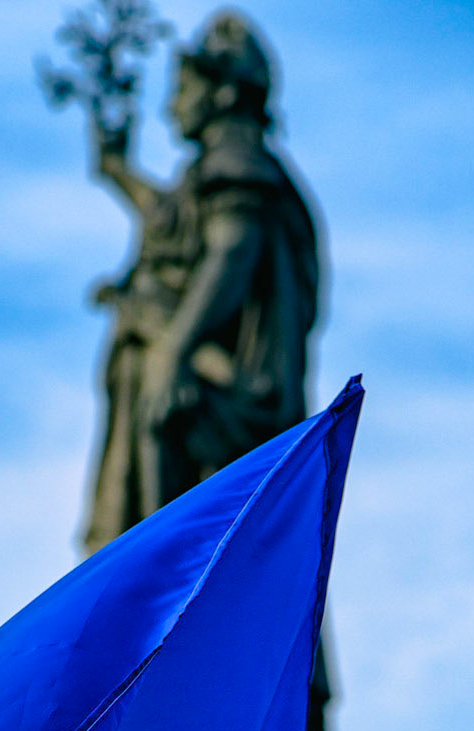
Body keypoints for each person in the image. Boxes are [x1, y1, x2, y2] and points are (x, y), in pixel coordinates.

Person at [82, 11, 319, 549]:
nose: (170, 107)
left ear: (224, 91)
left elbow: (229, 254)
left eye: (182, 89)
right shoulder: (224, 170)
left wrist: (176, 349)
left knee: (181, 543)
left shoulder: (237, 162)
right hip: (199, 389)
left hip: (218, 399)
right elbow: (177, 222)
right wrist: (118, 171)